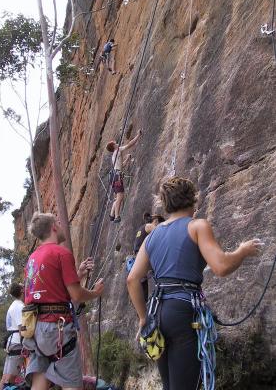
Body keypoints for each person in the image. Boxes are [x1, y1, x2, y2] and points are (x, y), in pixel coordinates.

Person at [127, 176, 263, 390]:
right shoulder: (197, 226)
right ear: (192, 200)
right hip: (183, 311)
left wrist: (144, 318)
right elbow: (221, 266)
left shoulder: (152, 236)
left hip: (157, 314)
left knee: (170, 385)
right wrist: (242, 251)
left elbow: (132, 279)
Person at [23, 212, 104, 390]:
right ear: (53, 227)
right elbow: (76, 295)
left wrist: (79, 274)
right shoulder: (62, 253)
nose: (60, 226)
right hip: (57, 329)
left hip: (35, 330)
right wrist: (95, 293)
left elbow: (50, 287)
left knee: (39, 384)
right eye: (58, 223)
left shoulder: (32, 259)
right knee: (71, 385)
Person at [106, 129, 142, 223]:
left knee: (118, 196)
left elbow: (121, 166)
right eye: (115, 143)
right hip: (117, 177)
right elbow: (130, 145)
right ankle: (117, 216)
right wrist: (138, 136)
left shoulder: (115, 155)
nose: (117, 143)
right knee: (120, 196)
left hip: (114, 177)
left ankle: (112, 215)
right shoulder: (117, 150)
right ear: (113, 146)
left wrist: (127, 159)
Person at [130, 212, 165, 301]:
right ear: (156, 221)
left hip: (138, 258)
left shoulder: (141, 228)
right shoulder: (149, 226)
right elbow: (161, 233)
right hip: (143, 258)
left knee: (143, 286)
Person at [0, 283, 24, 390]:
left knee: (5, 378)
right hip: (17, 343)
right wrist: (27, 343)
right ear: (22, 291)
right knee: (10, 379)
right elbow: (21, 327)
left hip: (11, 342)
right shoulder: (19, 306)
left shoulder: (13, 305)